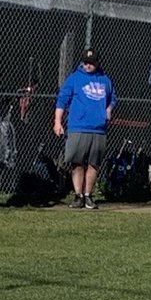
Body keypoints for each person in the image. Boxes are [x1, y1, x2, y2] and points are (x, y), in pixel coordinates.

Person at [53, 47, 117, 211]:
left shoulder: (105, 80)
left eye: (92, 63)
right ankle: (78, 195)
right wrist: (58, 121)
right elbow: (62, 100)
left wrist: (109, 109)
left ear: (97, 63)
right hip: (78, 126)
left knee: (94, 163)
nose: (88, 66)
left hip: (98, 128)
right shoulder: (75, 79)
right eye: (86, 62)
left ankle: (88, 195)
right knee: (77, 162)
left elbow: (113, 98)